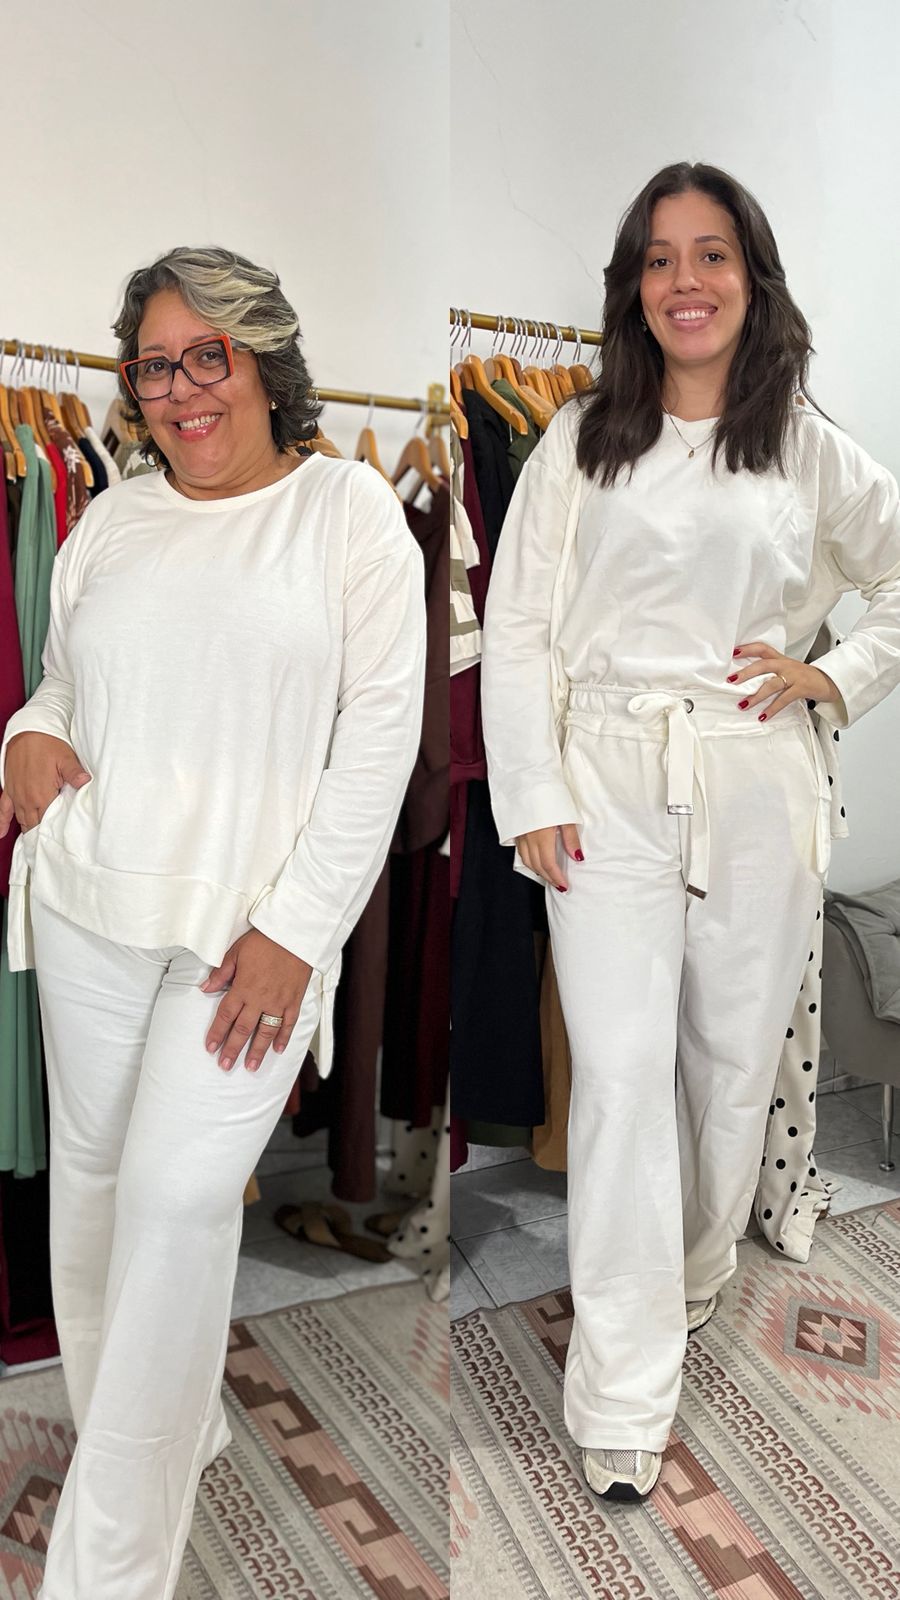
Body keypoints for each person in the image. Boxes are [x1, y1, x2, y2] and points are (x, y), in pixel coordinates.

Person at [0, 246, 426, 1599]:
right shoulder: (111, 520)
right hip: (89, 907)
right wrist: (26, 734)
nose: (181, 389)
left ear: (265, 363)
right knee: (94, 1203)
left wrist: (300, 933)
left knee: (177, 1204)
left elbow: (380, 742)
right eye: (154, 365)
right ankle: (156, 1441)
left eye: (209, 356)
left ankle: (105, 1571)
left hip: (248, 938)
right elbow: (65, 684)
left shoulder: (348, 511)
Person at [480, 162, 900, 1503]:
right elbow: (518, 625)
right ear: (634, 288)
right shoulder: (578, 437)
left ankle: (696, 1265)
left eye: (710, 253)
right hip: (603, 782)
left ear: (751, 278)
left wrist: (834, 673)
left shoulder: (806, 445)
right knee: (616, 1076)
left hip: (754, 776)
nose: (685, 281)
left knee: (728, 1069)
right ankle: (622, 1388)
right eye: (659, 258)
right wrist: (532, 792)